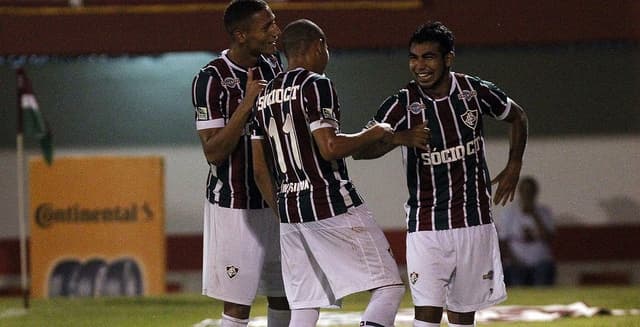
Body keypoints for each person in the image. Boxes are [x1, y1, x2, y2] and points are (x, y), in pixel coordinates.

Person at [353, 21, 529, 327]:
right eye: (414, 57)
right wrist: (398, 138)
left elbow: (518, 116)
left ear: (448, 59)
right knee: (427, 314)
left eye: (428, 57)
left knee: (463, 316)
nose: (419, 66)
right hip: (426, 225)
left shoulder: (474, 91)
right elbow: (360, 149)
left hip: (474, 222)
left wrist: (514, 163)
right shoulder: (401, 103)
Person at [250, 19, 406, 327]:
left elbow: (259, 169)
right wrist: (375, 132)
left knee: (307, 304)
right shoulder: (316, 84)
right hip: (330, 201)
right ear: (318, 45)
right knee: (389, 287)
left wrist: (282, 212)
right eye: (326, 47)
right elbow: (330, 147)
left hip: (291, 210)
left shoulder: (264, 96)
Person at [190, 1, 290, 326]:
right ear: (241, 35)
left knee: (286, 293)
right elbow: (214, 152)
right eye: (267, 26)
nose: (276, 31)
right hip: (234, 206)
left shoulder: (274, 65)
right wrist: (246, 104)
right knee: (237, 306)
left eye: (274, 22)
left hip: (274, 200)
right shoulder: (211, 78)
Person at [497, 176, 556, 286]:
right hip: (516, 262)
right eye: (525, 191)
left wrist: (534, 215)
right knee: (514, 273)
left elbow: (549, 238)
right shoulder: (508, 213)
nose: (527, 194)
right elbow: (503, 242)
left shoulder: (544, 212)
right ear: (519, 192)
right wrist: (515, 260)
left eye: (530, 191)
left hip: (540, 261)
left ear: (535, 192)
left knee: (545, 269)